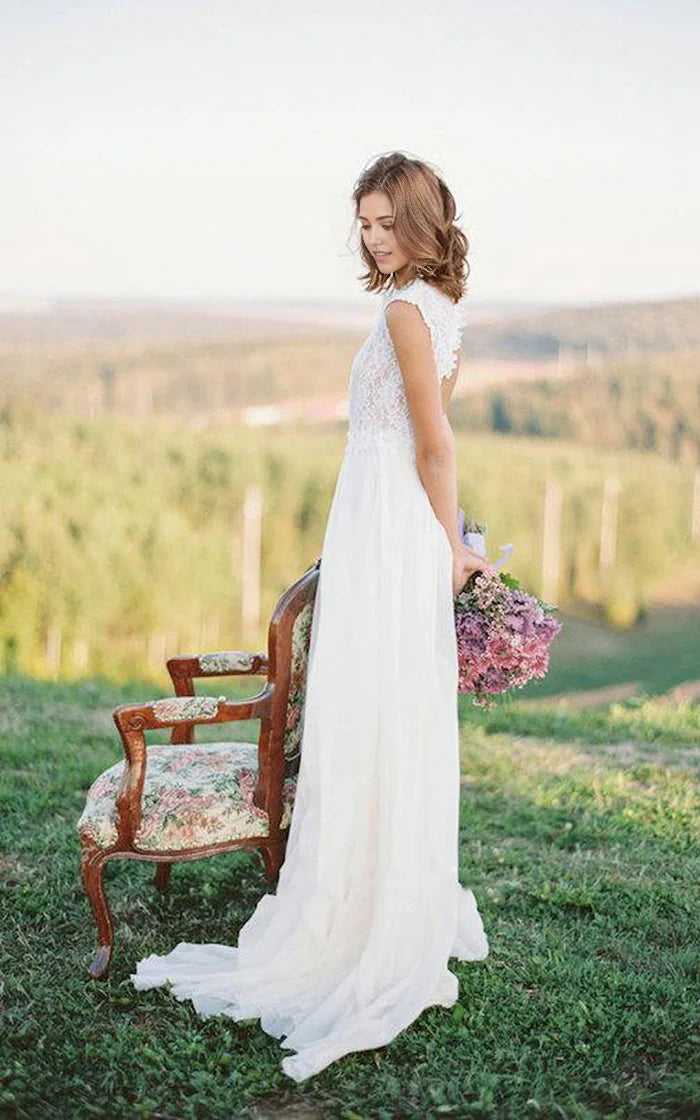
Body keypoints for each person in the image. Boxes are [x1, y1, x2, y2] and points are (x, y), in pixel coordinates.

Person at [131, 150, 495, 1083]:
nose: (371, 237)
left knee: (371, 709)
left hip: (391, 526)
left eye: (386, 221)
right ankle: (381, 891)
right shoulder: (441, 310)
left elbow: (434, 440)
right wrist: (440, 538)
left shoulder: (409, 312)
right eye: (363, 222)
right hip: (388, 521)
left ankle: (368, 916)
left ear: (421, 222)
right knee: (377, 712)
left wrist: (450, 545)